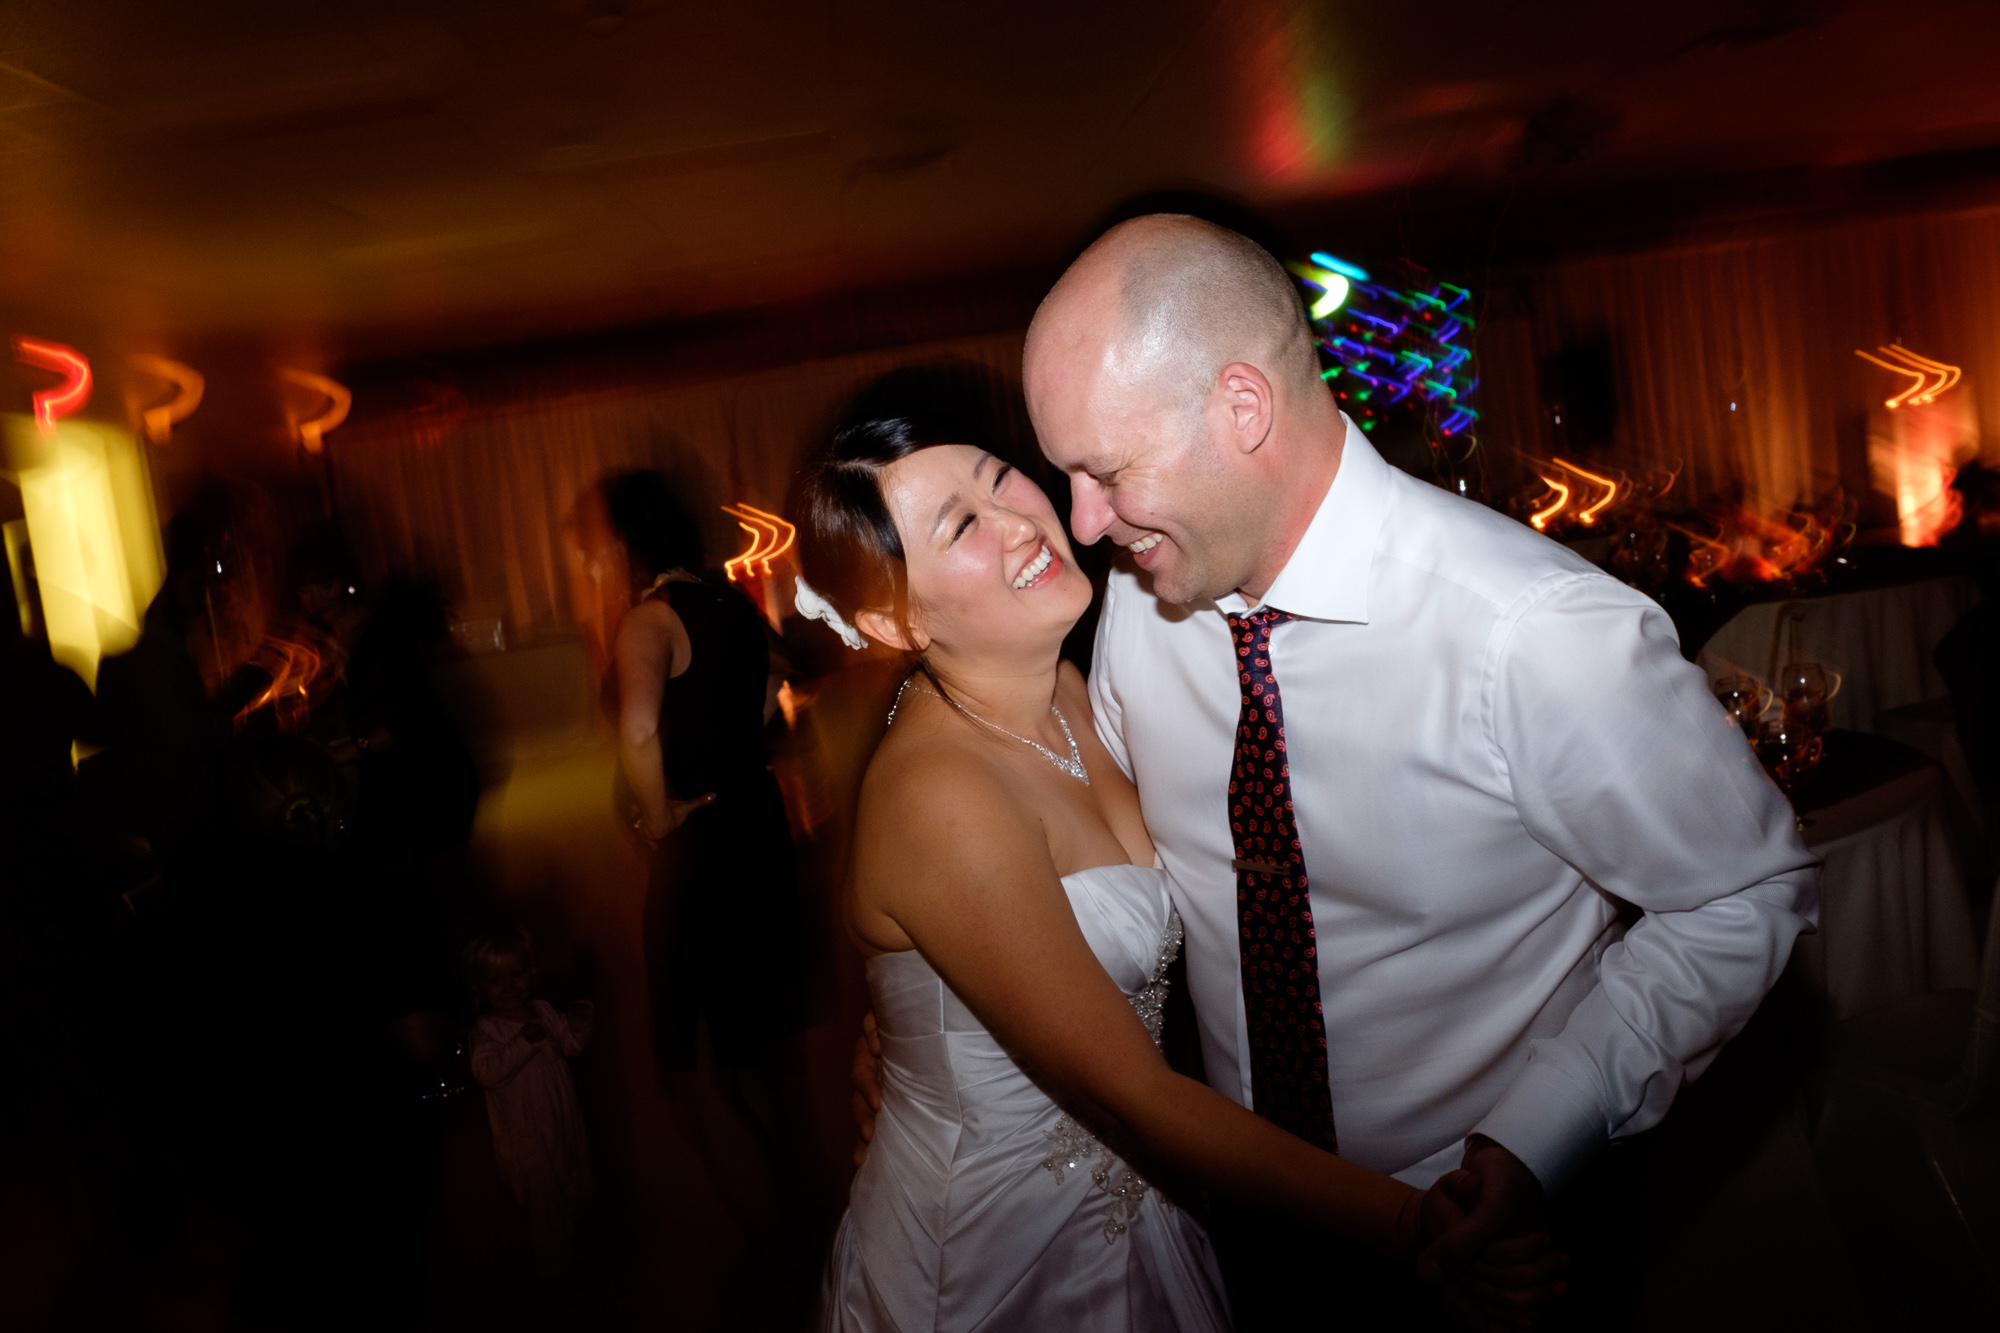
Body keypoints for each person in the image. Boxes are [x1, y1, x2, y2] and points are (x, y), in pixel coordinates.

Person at [998, 213, 1819, 1326]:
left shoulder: (1530, 632)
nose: (1085, 524)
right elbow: (1113, 868)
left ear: (1241, 409)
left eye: (1106, 470)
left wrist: (1538, 1134)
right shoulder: (1147, 615)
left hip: (1498, 1241)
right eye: (1066, 478)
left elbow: (1741, 891)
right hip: (1241, 1218)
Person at [799, 404, 1559, 1332]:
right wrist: (1413, 1222)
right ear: (891, 614)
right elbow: (1135, 1091)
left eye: (1000, 477)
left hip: (1141, 1200)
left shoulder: (1078, 688)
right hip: (995, 1256)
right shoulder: (939, 795)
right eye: (960, 526)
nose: (1017, 521)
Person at [596, 469, 817, 1266]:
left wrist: (658, 820)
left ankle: (779, 1262)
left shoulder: (649, 619)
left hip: (699, 853)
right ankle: (804, 1233)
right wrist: (732, 753)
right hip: (753, 832)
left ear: (625, 544)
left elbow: (641, 732)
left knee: (692, 1077)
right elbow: (781, 678)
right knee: (747, 1057)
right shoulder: (731, 602)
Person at [466, 928, 595, 1274]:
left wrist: (580, 1024)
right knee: (545, 1204)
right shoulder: (486, 1028)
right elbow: (487, 1072)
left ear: (531, 973)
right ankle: (555, 1273)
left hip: (564, 1121)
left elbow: (569, 1045)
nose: (508, 985)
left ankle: (575, 1250)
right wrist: (521, 1043)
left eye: (516, 975)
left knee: (577, 1187)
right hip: (527, 1136)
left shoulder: (543, 1010)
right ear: (478, 985)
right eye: (495, 979)